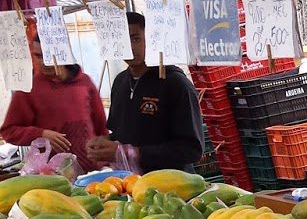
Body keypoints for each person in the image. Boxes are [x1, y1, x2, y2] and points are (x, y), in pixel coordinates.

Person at [97, 12, 205, 172]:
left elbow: (192, 149)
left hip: (173, 185)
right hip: (131, 184)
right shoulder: (120, 82)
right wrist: (104, 143)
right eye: (124, 42)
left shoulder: (175, 83)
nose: (131, 47)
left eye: (136, 39)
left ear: (150, 39)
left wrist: (135, 153)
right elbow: (121, 134)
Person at [1, 18, 109, 172]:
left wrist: (105, 161)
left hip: (91, 169)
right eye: (38, 56)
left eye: (49, 55)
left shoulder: (84, 82)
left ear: (63, 51)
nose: (44, 62)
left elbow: (101, 128)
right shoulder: (28, 88)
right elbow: (9, 131)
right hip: (52, 174)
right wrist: (41, 134)